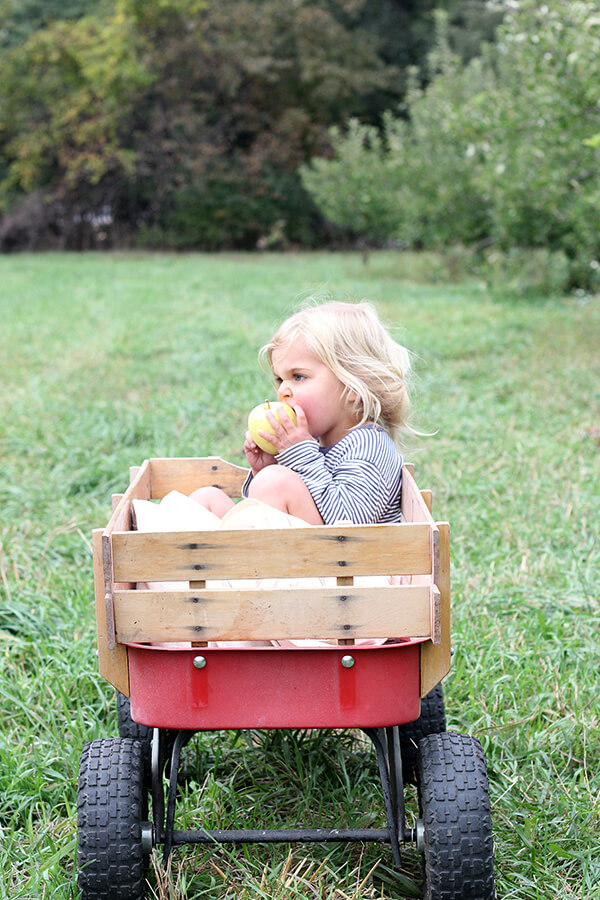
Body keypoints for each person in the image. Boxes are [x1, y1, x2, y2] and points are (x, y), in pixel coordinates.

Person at [190, 299, 412, 525]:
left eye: (298, 377)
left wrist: (295, 460)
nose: (283, 390)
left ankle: (229, 558)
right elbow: (301, 504)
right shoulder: (316, 443)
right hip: (297, 551)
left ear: (353, 386)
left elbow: (347, 524)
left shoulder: (369, 448)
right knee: (207, 499)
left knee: (274, 483)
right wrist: (270, 467)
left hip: (341, 558)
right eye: (280, 379)